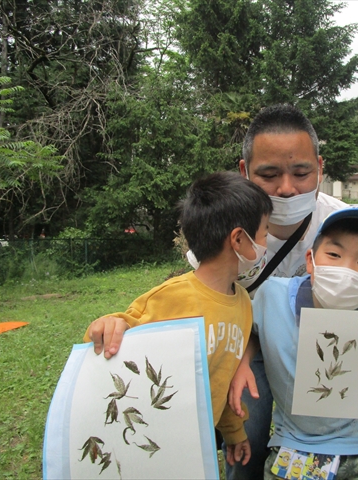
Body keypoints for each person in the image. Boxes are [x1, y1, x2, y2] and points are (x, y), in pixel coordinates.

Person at [228, 104, 358, 479]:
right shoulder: (226, 230)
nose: (287, 188)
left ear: (320, 168)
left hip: (326, 349)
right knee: (246, 435)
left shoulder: (344, 224)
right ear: (245, 173)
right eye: (269, 174)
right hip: (252, 343)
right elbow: (203, 292)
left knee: (326, 421)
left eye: (302, 172)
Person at [82, 171, 274, 467]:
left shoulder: (244, 304)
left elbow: (221, 380)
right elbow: (113, 338)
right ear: (238, 239)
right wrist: (108, 325)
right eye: (264, 232)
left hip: (196, 446)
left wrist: (235, 432)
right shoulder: (171, 298)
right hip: (151, 444)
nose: (266, 242)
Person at [230, 207, 358, 479]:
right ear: (311, 260)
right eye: (334, 255)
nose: (346, 270)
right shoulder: (272, 296)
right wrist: (244, 362)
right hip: (296, 448)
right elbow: (250, 330)